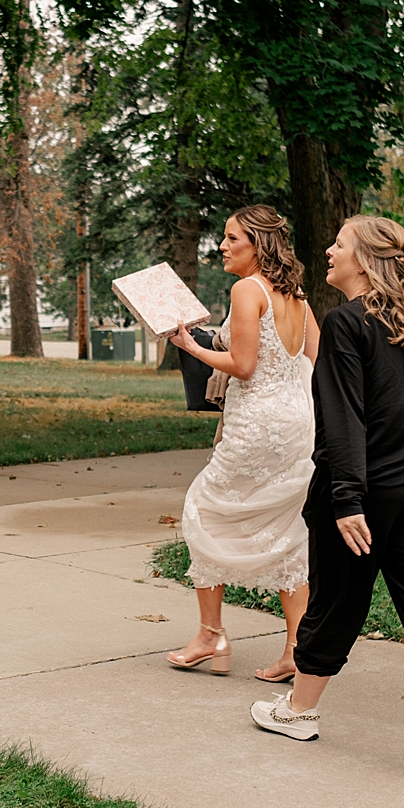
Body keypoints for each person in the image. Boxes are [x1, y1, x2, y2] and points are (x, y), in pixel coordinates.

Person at [250, 215, 404, 778]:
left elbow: (344, 418)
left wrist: (347, 498)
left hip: (366, 492)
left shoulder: (344, 323)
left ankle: (300, 710)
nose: (329, 251)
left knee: (336, 600)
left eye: (339, 244)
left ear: (364, 260)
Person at [166, 206, 320, 682]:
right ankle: (297, 648)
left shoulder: (246, 289)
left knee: (206, 511)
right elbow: (312, 357)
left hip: (255, 424)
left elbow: (244, 364)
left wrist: (191, 347)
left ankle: (211, 634)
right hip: (298, 422)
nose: (222, 245)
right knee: (288, 528)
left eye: (232, 238)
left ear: (257, 243)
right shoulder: (296, 296)